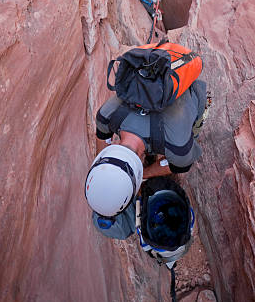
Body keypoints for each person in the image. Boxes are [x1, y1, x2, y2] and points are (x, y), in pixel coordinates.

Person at [84, 78, 207, 218]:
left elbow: (176, 166)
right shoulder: (106, 116)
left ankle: (204, 102)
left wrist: (143, 174)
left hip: (194, 91)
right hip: (159, 72)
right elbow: (102, 146)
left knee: (194, 132)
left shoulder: (179, 150)